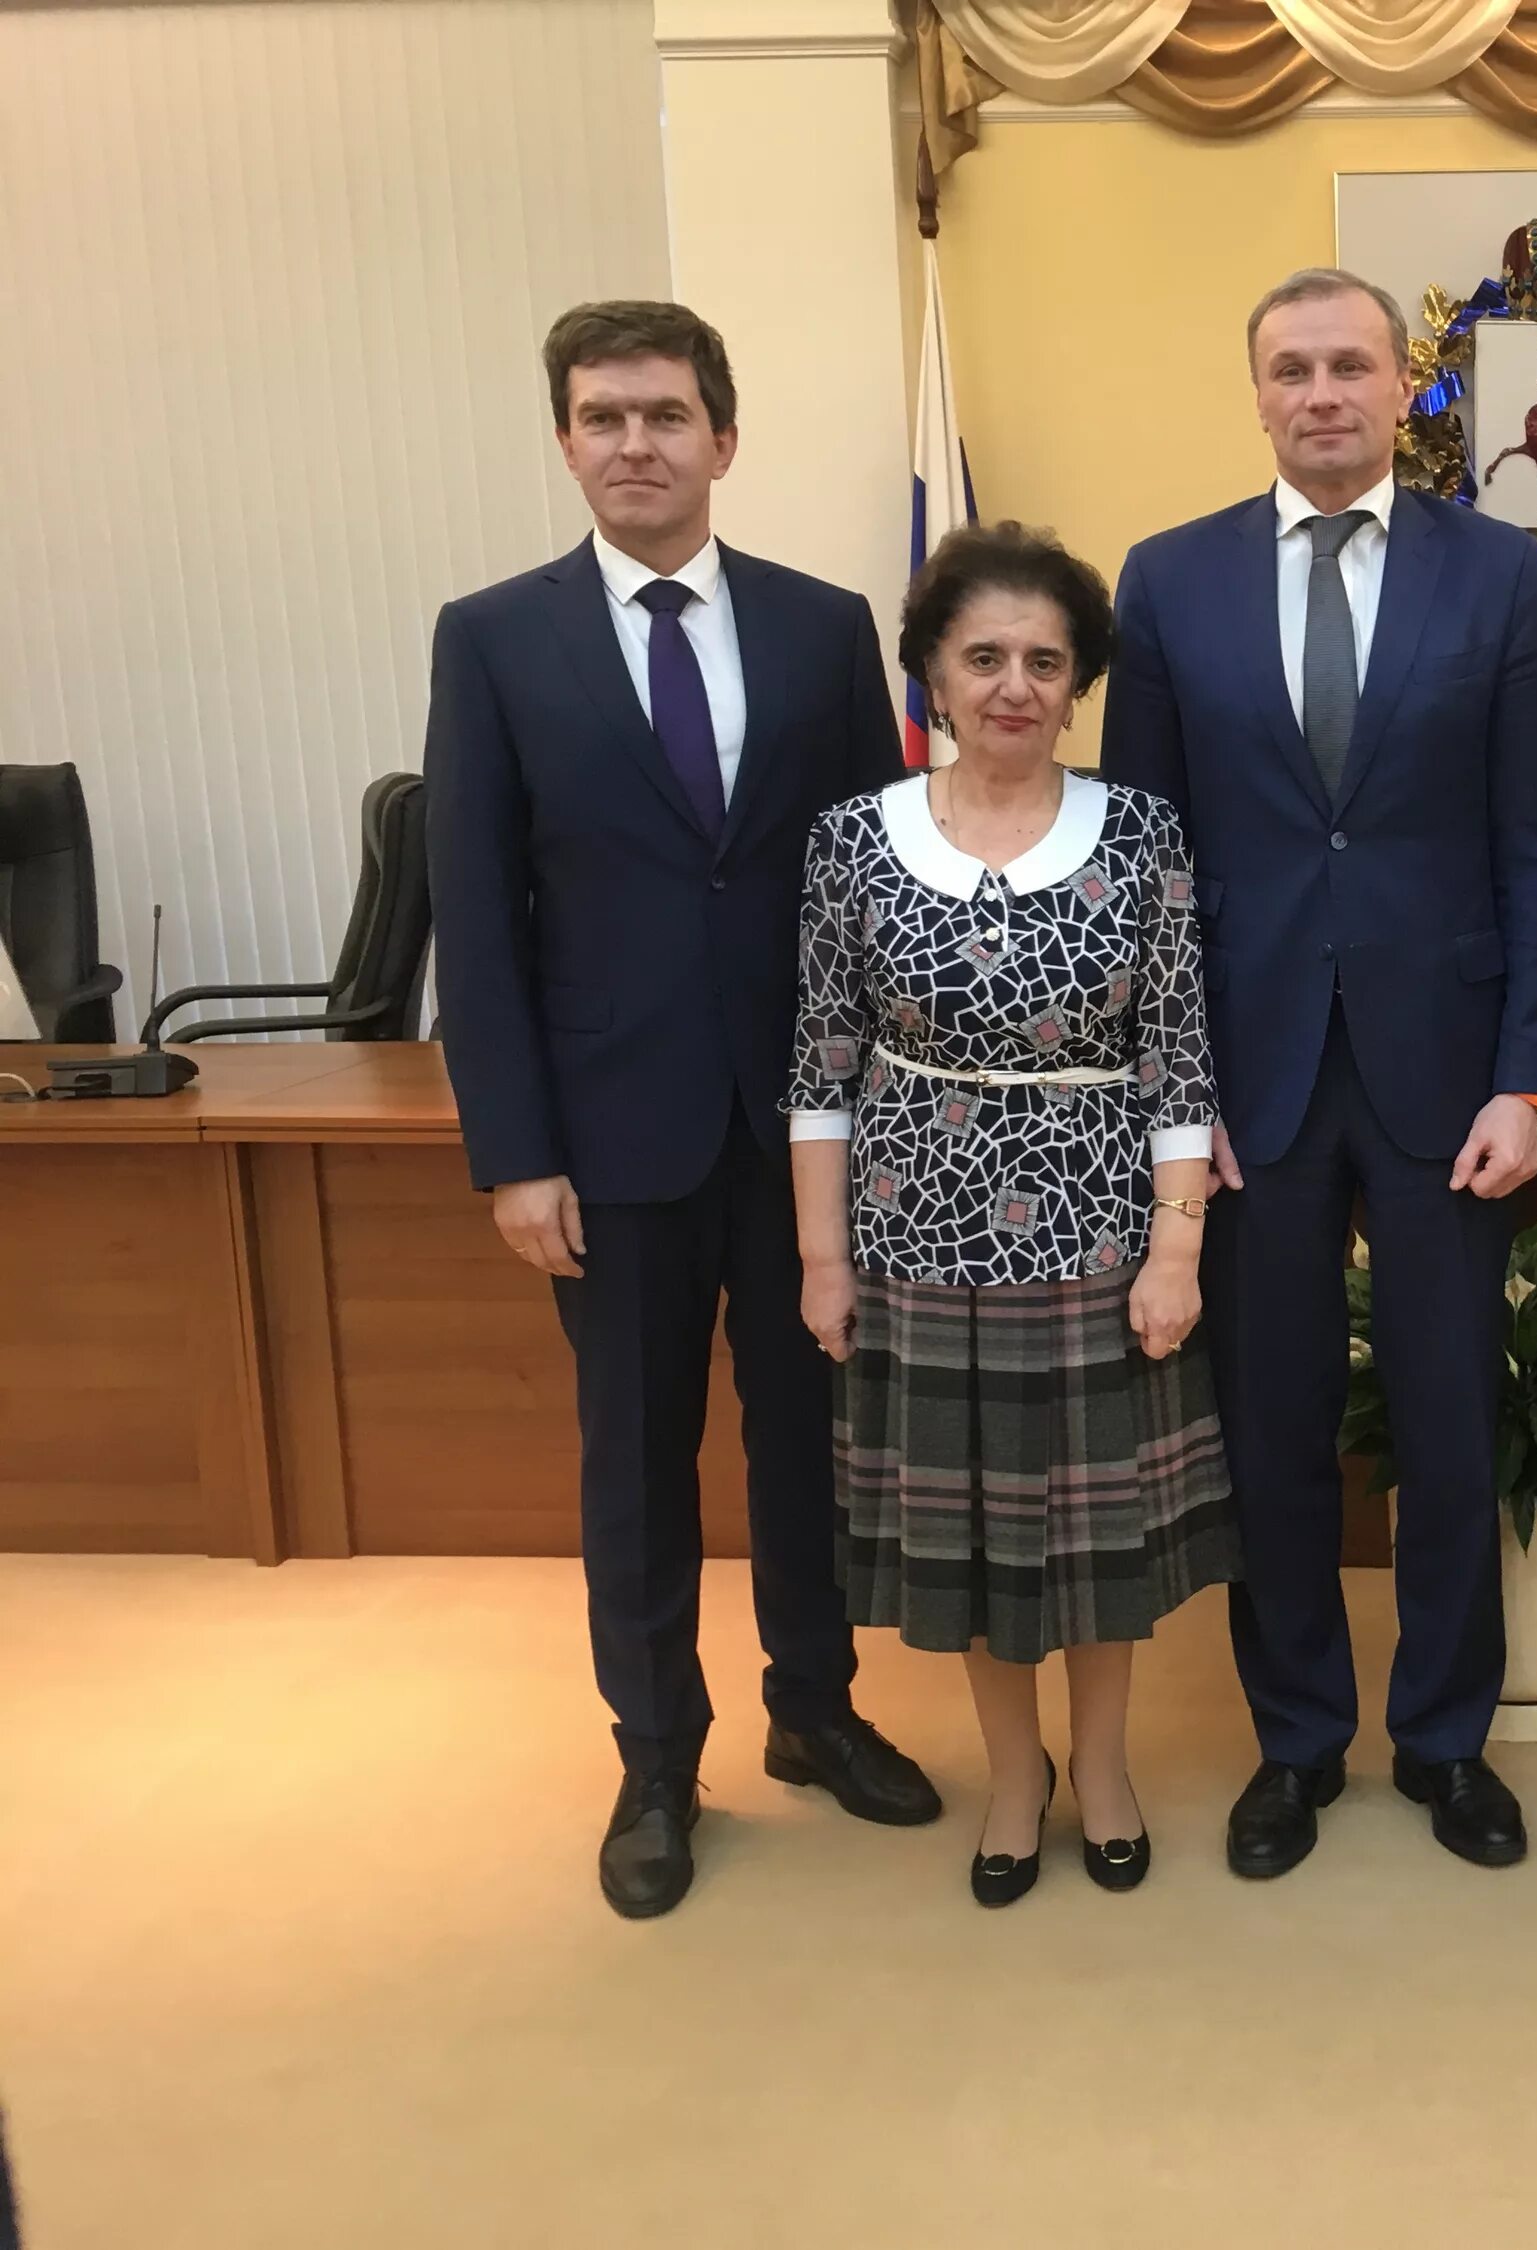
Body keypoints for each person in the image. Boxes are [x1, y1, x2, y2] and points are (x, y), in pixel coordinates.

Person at [425, 300, 938, 1920]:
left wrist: (887, 1117)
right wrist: (514, 1149)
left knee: (811, 1443)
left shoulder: (819, 624)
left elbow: (875, 885)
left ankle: (816, 1707)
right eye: (602, 416)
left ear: (725, 436)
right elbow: (473, 904)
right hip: (614, 1135)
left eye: (664, 414)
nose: (634, 442)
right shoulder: (493, 637)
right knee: (635, 1457)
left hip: (804, 1136)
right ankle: (657, 1754)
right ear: (565, 440)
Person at [1102, 268, 1537, 1879]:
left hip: (1447, 1074)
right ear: (1257, 395)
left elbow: (1536, 841)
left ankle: (1446, 1738)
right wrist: (1178, 1094)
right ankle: (1296, 1740)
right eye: (1292, 369)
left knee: (1450, 1422)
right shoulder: (1168, 581)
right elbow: (1146, 861)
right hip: (1246, 1083)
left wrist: (1528, 1078)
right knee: (1273, 1426)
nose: (1323, 392)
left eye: (1351, 365)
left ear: (1406, 388)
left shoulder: (1500, 574)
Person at [785, 524, 1232, 1905]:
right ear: (931, 669)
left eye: (1045, 659)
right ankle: (1013, 1772)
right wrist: (820, 1255)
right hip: (915, 1236)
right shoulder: (852, 838)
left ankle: (1100, 1765)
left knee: (1093, 1537)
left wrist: (1177, 1247)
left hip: (1102, 1238)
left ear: (1079, 679)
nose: (1014, 684)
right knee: (973, 1535)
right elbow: (822, 1058)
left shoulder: (1142, 829)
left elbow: (1178, 1054)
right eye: (984, 655)